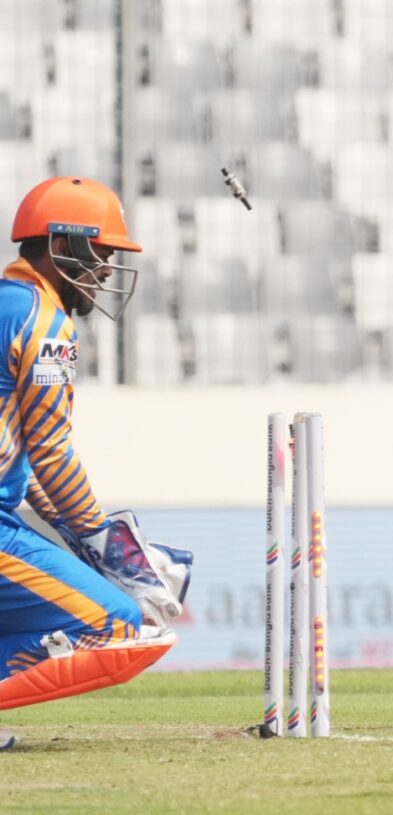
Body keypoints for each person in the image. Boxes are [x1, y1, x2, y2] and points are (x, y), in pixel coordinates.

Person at [0, 177, 193, 751]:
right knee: (114, 623)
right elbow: (51, 450)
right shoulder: (43, 321)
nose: (106, 270)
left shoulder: (9, 305)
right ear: (64, 245)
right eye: (102, 252)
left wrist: (73, 528)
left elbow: (22, 454)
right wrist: (103, 542)